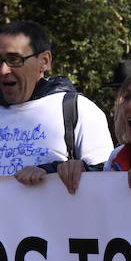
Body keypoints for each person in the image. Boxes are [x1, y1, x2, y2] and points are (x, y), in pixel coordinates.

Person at [4, 21, 113, 193]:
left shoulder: (77, 109)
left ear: (44, 61)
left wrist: (51, 170)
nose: (3, 70)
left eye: (14, 60)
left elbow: (107, 178)